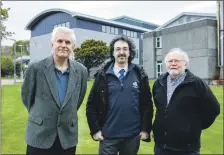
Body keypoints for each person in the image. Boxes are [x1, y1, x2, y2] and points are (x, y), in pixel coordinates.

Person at [21, 27, 88, 155]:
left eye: (67, 42)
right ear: (52, 44)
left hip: (67, 138)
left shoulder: (81, 71)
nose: (63, 45)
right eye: (60, 41)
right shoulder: (35, 68)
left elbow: (78, 100)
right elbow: (27, 97)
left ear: (73, 46)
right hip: (39, 136)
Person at [86, 36, 154, 155]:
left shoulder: (140, 74)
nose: (121, 52)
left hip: (132, 136)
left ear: (130, 52)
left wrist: (145, 129)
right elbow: (91, 105)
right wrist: (95, 130)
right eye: (118, 49)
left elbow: (148, 104)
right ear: (113, 52)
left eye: (125, 49)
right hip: (108, 136)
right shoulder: (102, 75)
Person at [152, 48, 220, 155]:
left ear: (186, 64)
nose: (173, 64)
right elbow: (160, 107)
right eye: (170, 61)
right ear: (166, 64)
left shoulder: (197, 84)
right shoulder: (159, 83)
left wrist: (196, 126)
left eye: (177, 61)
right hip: (161, 146)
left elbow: (214, 109)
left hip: (187, 148)